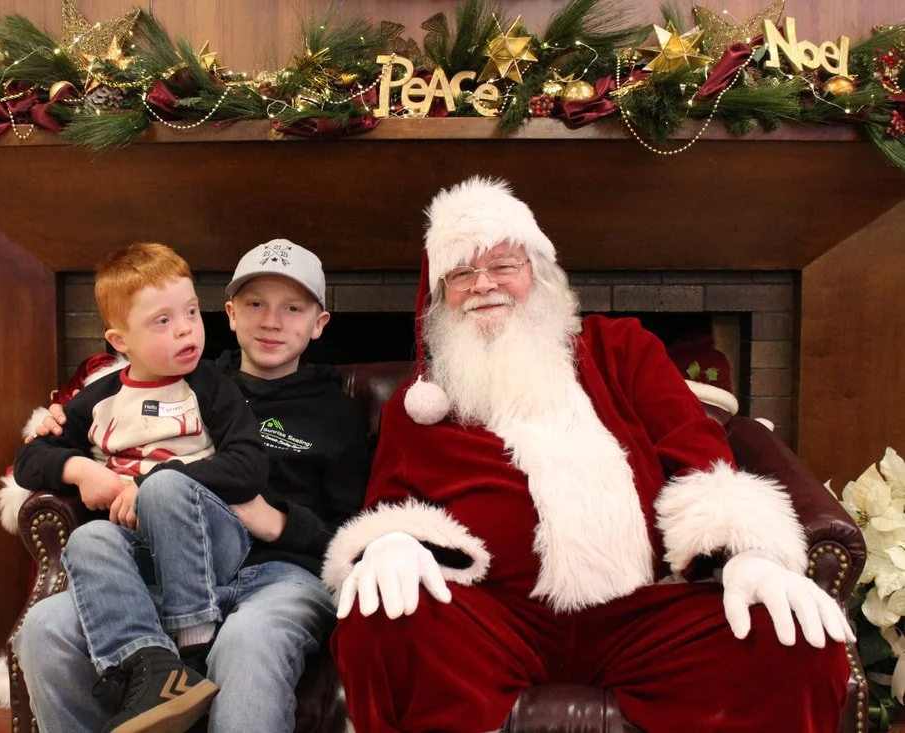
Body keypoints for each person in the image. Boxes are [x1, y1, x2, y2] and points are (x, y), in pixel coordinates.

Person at [322, 177, 854, 733]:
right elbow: (390, 503)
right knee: (379, 618)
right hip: (493, 619)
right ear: (439, 297)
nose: (483, 285)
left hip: (642, 614)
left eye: (503, 264)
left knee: (795, 642)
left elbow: (697, 447)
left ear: (538, 273)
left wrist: (747, 554)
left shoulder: (622, 349)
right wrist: (393, 543)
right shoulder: (421, 404)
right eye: (460, 273)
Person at [14, 239, 370, 733]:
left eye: (293, 308)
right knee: (45, 628)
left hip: (280, 576)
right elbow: (75, 433)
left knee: (249, 637)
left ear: (319, 323)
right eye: (255, 304)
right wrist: (68, 454)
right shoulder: (182, 378)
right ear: (229, 314)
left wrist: (279, 522)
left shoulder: (340, 414)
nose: (272, 321)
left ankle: (191, 660)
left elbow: (354, 538)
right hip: (163, 570)